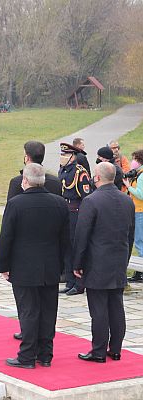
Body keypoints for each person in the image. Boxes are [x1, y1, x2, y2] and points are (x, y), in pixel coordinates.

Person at [0, 163, 71, 369]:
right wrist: (63, 265)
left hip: (23, 266)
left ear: (26, 181)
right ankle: (45, 354)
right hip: (50, 266)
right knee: (48, 310)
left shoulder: (16, 204)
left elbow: (6, 238)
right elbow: (66, 239)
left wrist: (3, 265)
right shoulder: (59, 203)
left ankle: (27, 356)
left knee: (28, 311)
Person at [73, 162, 135, 363]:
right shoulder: (127, 201)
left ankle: (98, 350)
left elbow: (82, 236)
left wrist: (77, 263)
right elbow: (130, 235)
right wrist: (124, 259)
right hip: (118, 260)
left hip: (97, 261)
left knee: (98, 308)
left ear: (97, 177)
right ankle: (115, 348)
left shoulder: (91, 201)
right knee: (116, 306)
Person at [7, 141, 62, 341]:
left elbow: (10, 219)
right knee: (47, 303)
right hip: (50, 250)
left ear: (27, 157)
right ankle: (43, 343)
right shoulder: (55, 182)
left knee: (27, 302)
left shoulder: (17, 182)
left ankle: (27, 333)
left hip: (25, 250)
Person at [58, 142, 92, 295]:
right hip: (65, 210)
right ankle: (70, 280)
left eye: (65, 155)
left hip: (76, 211)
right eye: (62, 154)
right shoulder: (63, 170)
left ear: (73, 157)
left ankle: (79, 283)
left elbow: (86, 196)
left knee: (76, 246)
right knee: (66, 246)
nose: (62, 157)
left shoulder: (80, 172)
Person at [124, 150, 143, 282]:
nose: (133, 162)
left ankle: (141, 272)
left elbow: (140, 194)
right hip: (137, 210)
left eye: (134, 159)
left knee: (139, 242)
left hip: (139, 211)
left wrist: (128, 186)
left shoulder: (141, 176)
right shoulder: (138, 174)